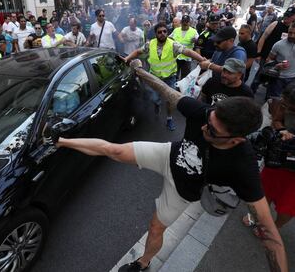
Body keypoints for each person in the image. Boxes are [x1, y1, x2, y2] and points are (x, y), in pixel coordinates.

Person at [47, 61, 288, 272]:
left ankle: (143, 262)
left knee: (155, 228)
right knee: (114, 150)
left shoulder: (243, 164)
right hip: (167, 154)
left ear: (237, 140)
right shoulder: (204, 113)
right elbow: (165, 90)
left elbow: (270, 235)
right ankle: (60, 141)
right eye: (208, 120)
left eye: (213, 131)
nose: (204, 128)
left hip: (182, 190)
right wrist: (139, 70)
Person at [123, 22, 205, 131]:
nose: (162, 33)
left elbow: (188, 52)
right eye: (159, 32)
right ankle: (157, 103)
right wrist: (127, 58)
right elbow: (138, 51)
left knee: (170, 100)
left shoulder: (173, 45)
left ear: (167, 32)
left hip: (170, 77)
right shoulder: (150, 44)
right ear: (156, 34)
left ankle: (169, 119)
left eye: (164, 31)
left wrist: (201, 59)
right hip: (154, 77)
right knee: (155, 98)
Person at [244, 83, 295, 235]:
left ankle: (273, 227)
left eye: (291, 108)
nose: (286, 109)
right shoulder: (283, 104)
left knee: (288, 203)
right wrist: (282, 130)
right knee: (264, 190)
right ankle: (258, 217)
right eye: (285, 104)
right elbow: (277, 120)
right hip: (279, 160)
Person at [265, 22, 295, 99]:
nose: (292, 35)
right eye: (290, 32)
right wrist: (277, 65)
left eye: (294, 33)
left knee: (286, 104)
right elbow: (268, 60)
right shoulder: (279, 45)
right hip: (278, 78)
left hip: (293, 80)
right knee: (272, 101)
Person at [170, 15, 199, 79]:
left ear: (189, 23)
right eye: (183, 21)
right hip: (176, 57)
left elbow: (199, 41)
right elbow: (169, 39)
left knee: (185, 78)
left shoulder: (194, 31)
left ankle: (182, 88)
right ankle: (174, 88)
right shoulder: (176, 30)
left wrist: (196, 40)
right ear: (181, 22)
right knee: (174, 76)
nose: (185, 23)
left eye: (187, 21)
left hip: (187, 58)